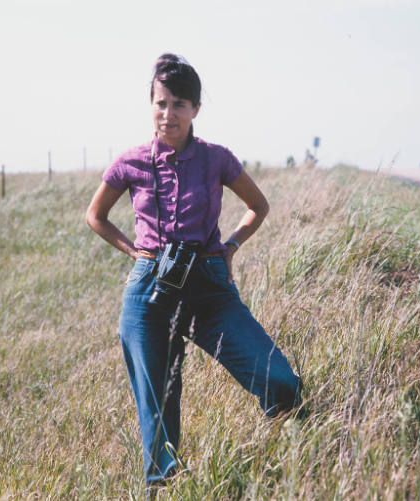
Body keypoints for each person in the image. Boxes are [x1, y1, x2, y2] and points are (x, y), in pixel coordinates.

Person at [86, 53, 302, 488]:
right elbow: (96, 216)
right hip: (149, 292)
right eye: (161, 103)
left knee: (280, 381)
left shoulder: (217, 159)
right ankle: (163, 491)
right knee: (159, 412)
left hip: (208, 286)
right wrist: (134, 253)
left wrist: (231, 247)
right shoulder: (130, 162)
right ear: (151, 105)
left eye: (179, 104)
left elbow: (258, 207)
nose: (168, 114)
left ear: (196, 109)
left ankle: (288, 464)